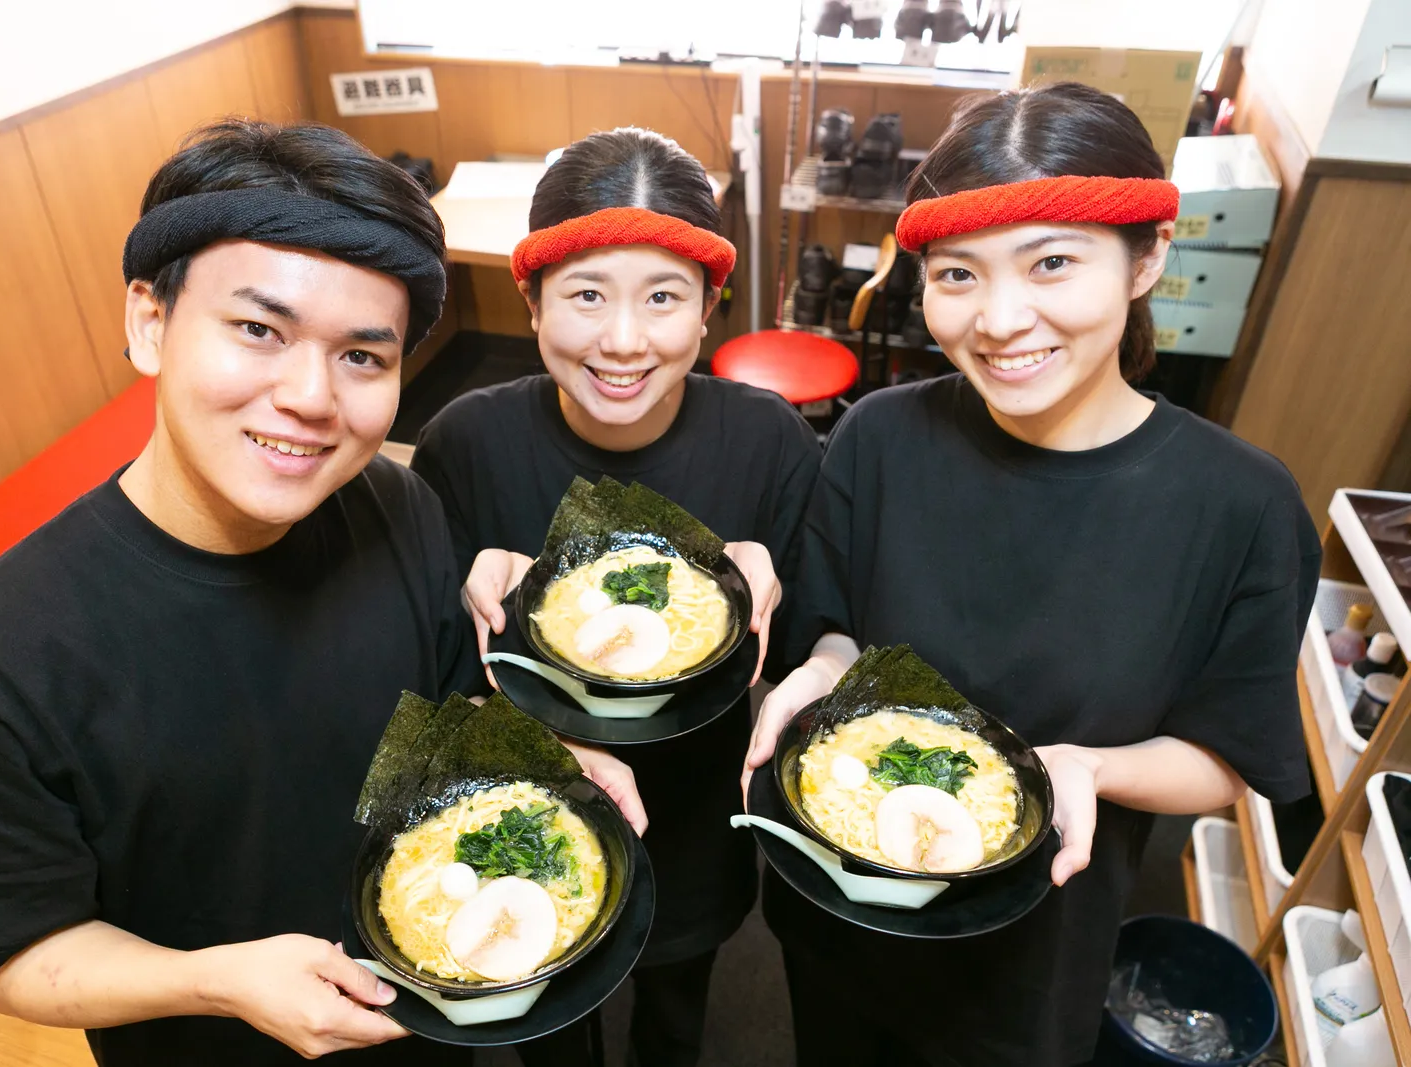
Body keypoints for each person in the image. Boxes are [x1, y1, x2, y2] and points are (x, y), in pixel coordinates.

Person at [0, 119, 531, 1066]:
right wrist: (214, 981)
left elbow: (441, 713)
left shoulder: (396, 502)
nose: (310, 395)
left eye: (362, 356)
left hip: (429, 1004)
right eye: (259, 330)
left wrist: (547, 746)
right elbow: (10, 954)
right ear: (151, 322)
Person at [742, 83, 1322, 1066]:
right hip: (846, 904)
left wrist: (1089, 767)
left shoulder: (1243, 506)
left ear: (1147, 260)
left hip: (1033, 946)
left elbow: (1227, 756)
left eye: (1052, 263)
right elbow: (832, 622)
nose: (1001, 319)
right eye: (958, 274)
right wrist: (820, 670)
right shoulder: (879, 437)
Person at [410, 128, 822, 1066]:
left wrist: (782, 594)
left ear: (711, 307)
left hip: (695, 818)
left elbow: (816, 656)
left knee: (678, 1010)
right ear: (531, 300)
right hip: (519, 820)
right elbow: (424, 673)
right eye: (587, 295)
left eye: (664, 297)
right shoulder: (462, 443)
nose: (624, 341)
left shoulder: (770, 442)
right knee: (551, 1033)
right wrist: (475, 641)